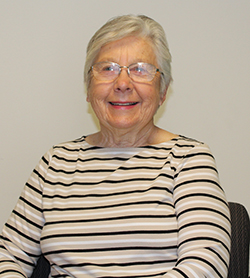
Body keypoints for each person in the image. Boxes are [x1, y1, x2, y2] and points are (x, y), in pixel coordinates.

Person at [0, 15, 230, 278]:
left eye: (140, 69)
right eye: (108, 68)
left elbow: (205, 266)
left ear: (162, 91)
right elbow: (7, 254)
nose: (122, 83)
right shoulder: (56, 162)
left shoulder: (189, 159)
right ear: (89, 88)